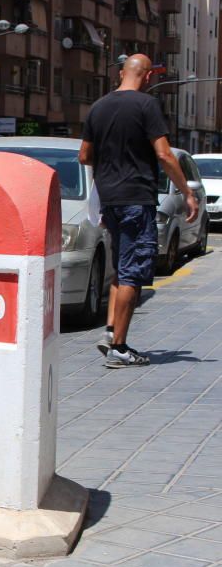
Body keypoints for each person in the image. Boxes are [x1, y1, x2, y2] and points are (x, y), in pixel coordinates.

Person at [79, 54, 198, 368]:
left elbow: (84, 156)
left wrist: (111, 168)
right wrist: (187, 192)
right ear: (146, 78)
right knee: (133, 271)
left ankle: (109, 332)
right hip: (136, 199)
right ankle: (119, 347)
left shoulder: (98, 107)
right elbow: (164, 154)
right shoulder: (147, 106)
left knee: (121, 266)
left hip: (110, 200)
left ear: (121, 74)